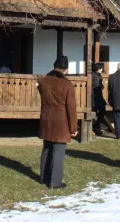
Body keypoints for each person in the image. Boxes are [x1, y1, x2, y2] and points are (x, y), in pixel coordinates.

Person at [38, 55, 78, 189]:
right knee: (58, 151)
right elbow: (71, 108)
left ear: (54, 66)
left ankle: (44, 177)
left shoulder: (43, 81)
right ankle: (55, 182)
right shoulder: (66, 84)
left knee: (47, 148)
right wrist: (73, 128)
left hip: (46, 118)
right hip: (60, 121)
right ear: (65, 69)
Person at [91, 63, 107, 136]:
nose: (102, 70)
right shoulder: (93, 76)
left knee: (102, 110)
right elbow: (96, 86)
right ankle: (94, 127)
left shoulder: (98, 75)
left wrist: (101, 86)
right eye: (101, 68)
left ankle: (96, 126)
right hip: (94, 97)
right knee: (94, 112)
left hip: (98, 97)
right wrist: (100, 87)